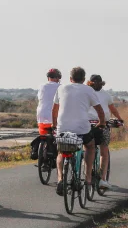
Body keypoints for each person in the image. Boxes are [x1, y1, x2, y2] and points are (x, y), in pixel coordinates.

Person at [52, 67, 105, 196]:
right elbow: (100, 111)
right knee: (90, 146)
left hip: (63, 127)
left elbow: (54, 110)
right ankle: (87, 178)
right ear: (83, 79)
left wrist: (55, 125)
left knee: (61, 151)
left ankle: (60, 179)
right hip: (82, 127)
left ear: (71, 79)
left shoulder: (61, 88)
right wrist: (101, 123)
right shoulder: (88, 90)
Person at [87, 74, 123, 191]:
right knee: (104, 151)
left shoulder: (86, 92)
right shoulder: (106, 95)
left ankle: (86, 172)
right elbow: (112, 109)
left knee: (87, 148)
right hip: (102, 125)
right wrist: (119, 118)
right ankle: (102, 179)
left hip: (87, 125)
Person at [36, 68, 61, 134]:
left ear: (48, 78)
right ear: (58, 78)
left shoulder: (42, 86)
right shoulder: (61, 87)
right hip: (54, 119)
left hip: (41, 118)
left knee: (43, 135)